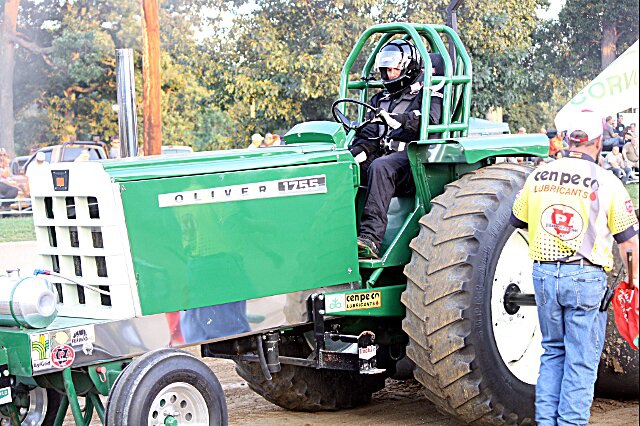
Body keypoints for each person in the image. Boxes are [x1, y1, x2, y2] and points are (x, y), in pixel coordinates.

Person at [510, 109, 639, 426]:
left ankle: (547, 422)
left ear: (567, 139)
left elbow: (518, 220)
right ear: (597, 141)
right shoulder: (607, 182)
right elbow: (629, 245)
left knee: (553, 351)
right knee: (581, 361)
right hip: (585, 276)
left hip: (544, 274)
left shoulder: (539, 176)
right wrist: (632, 281)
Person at [353, 39, 443, 258]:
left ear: (408, 68)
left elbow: (431, 119)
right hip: (383, 155)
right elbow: (369, 134)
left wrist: (399, 120)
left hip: (413, 160)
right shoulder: (380, 99)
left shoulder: (428, 93)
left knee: (381, 167)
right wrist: (358, 152)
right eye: (385, 70)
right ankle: (338, 233)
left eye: (393, 69)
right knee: (345, 165)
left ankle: (370, 238)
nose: (389, 75)